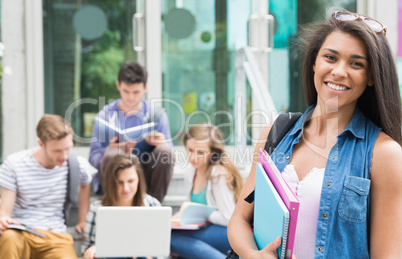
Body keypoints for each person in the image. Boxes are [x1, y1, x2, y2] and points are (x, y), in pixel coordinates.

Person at [227, 9, 402, 259]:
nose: (339, 71)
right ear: (314, 63)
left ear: (371, 77)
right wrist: (254, 255)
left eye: (356, 63)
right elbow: (239, 221)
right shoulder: (275, 133)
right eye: (330, 57)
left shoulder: (384, 154)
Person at [0, 114, 93, 259]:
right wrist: (4, 218)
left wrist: (82, 219)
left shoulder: (77, 165)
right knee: (8, 238)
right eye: (57, 151)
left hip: (55, 235)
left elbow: (85, 184)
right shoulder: (14, 164)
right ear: (41, 144)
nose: (64, 156)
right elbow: (5, 213)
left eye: (68, 149)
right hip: (20, 232)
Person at [89, 61, 175, 202]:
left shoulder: (157, 115)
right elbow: (93, 157)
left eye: (136, 92)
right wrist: (114, 149)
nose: (130, 97)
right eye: (126, 91)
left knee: (165, 151)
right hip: (116, 174)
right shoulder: (105, 116)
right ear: (118, 86)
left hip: (146, 173)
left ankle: (154, 207)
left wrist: (161, 143)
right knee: (112, 154)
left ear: (145, 88)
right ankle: (113, 205)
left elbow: (169, 153)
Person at [170, 124, 244, 259]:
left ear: (212, 153)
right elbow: (189, 204)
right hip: (205, 230)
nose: (193, 157)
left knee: (173, 240)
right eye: (190, 150)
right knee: (176, 244)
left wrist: (202, 213)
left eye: (200, 153)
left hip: (228, 234)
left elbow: (228, 219)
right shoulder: (190, 171)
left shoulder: (218, 174)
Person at [82, 154, 160, 259]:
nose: (126, 188)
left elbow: (160, 251)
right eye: (120, 182)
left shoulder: (152, 205)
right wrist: (94, 250)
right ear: (112, 183)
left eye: (130, 181)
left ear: (139, 180)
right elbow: (86, 248)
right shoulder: (96, 208)